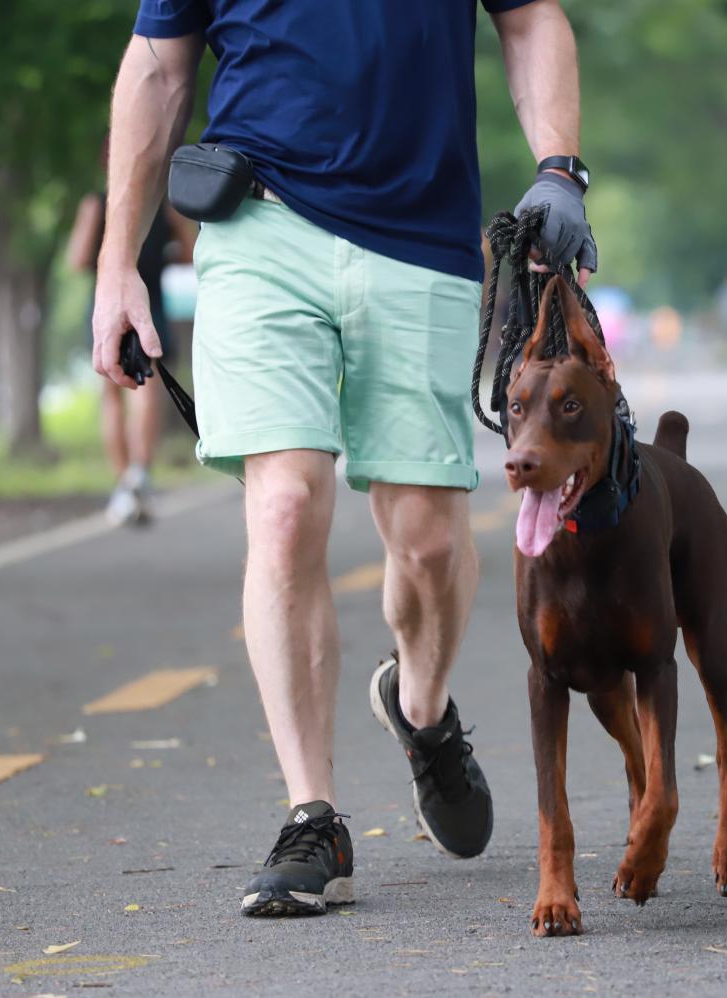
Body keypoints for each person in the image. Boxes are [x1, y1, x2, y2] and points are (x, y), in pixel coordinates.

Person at [92, 0, 596, 918]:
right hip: (257, 223)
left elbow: (531, 21)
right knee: (283, 507)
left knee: (430, 540)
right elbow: (159, 67)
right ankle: (311, 818)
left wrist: (559, 170)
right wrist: (115, 262)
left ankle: (424, 710)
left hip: (421, 238)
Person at [68, 161, 193, 526]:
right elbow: (189, 254)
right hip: (148, 302)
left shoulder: (96, 203)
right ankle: (139, 475)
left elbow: (77, 259)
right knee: (145, 389)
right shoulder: (162, 206)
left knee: (113, 394)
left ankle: (125, 483)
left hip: (107, 303)